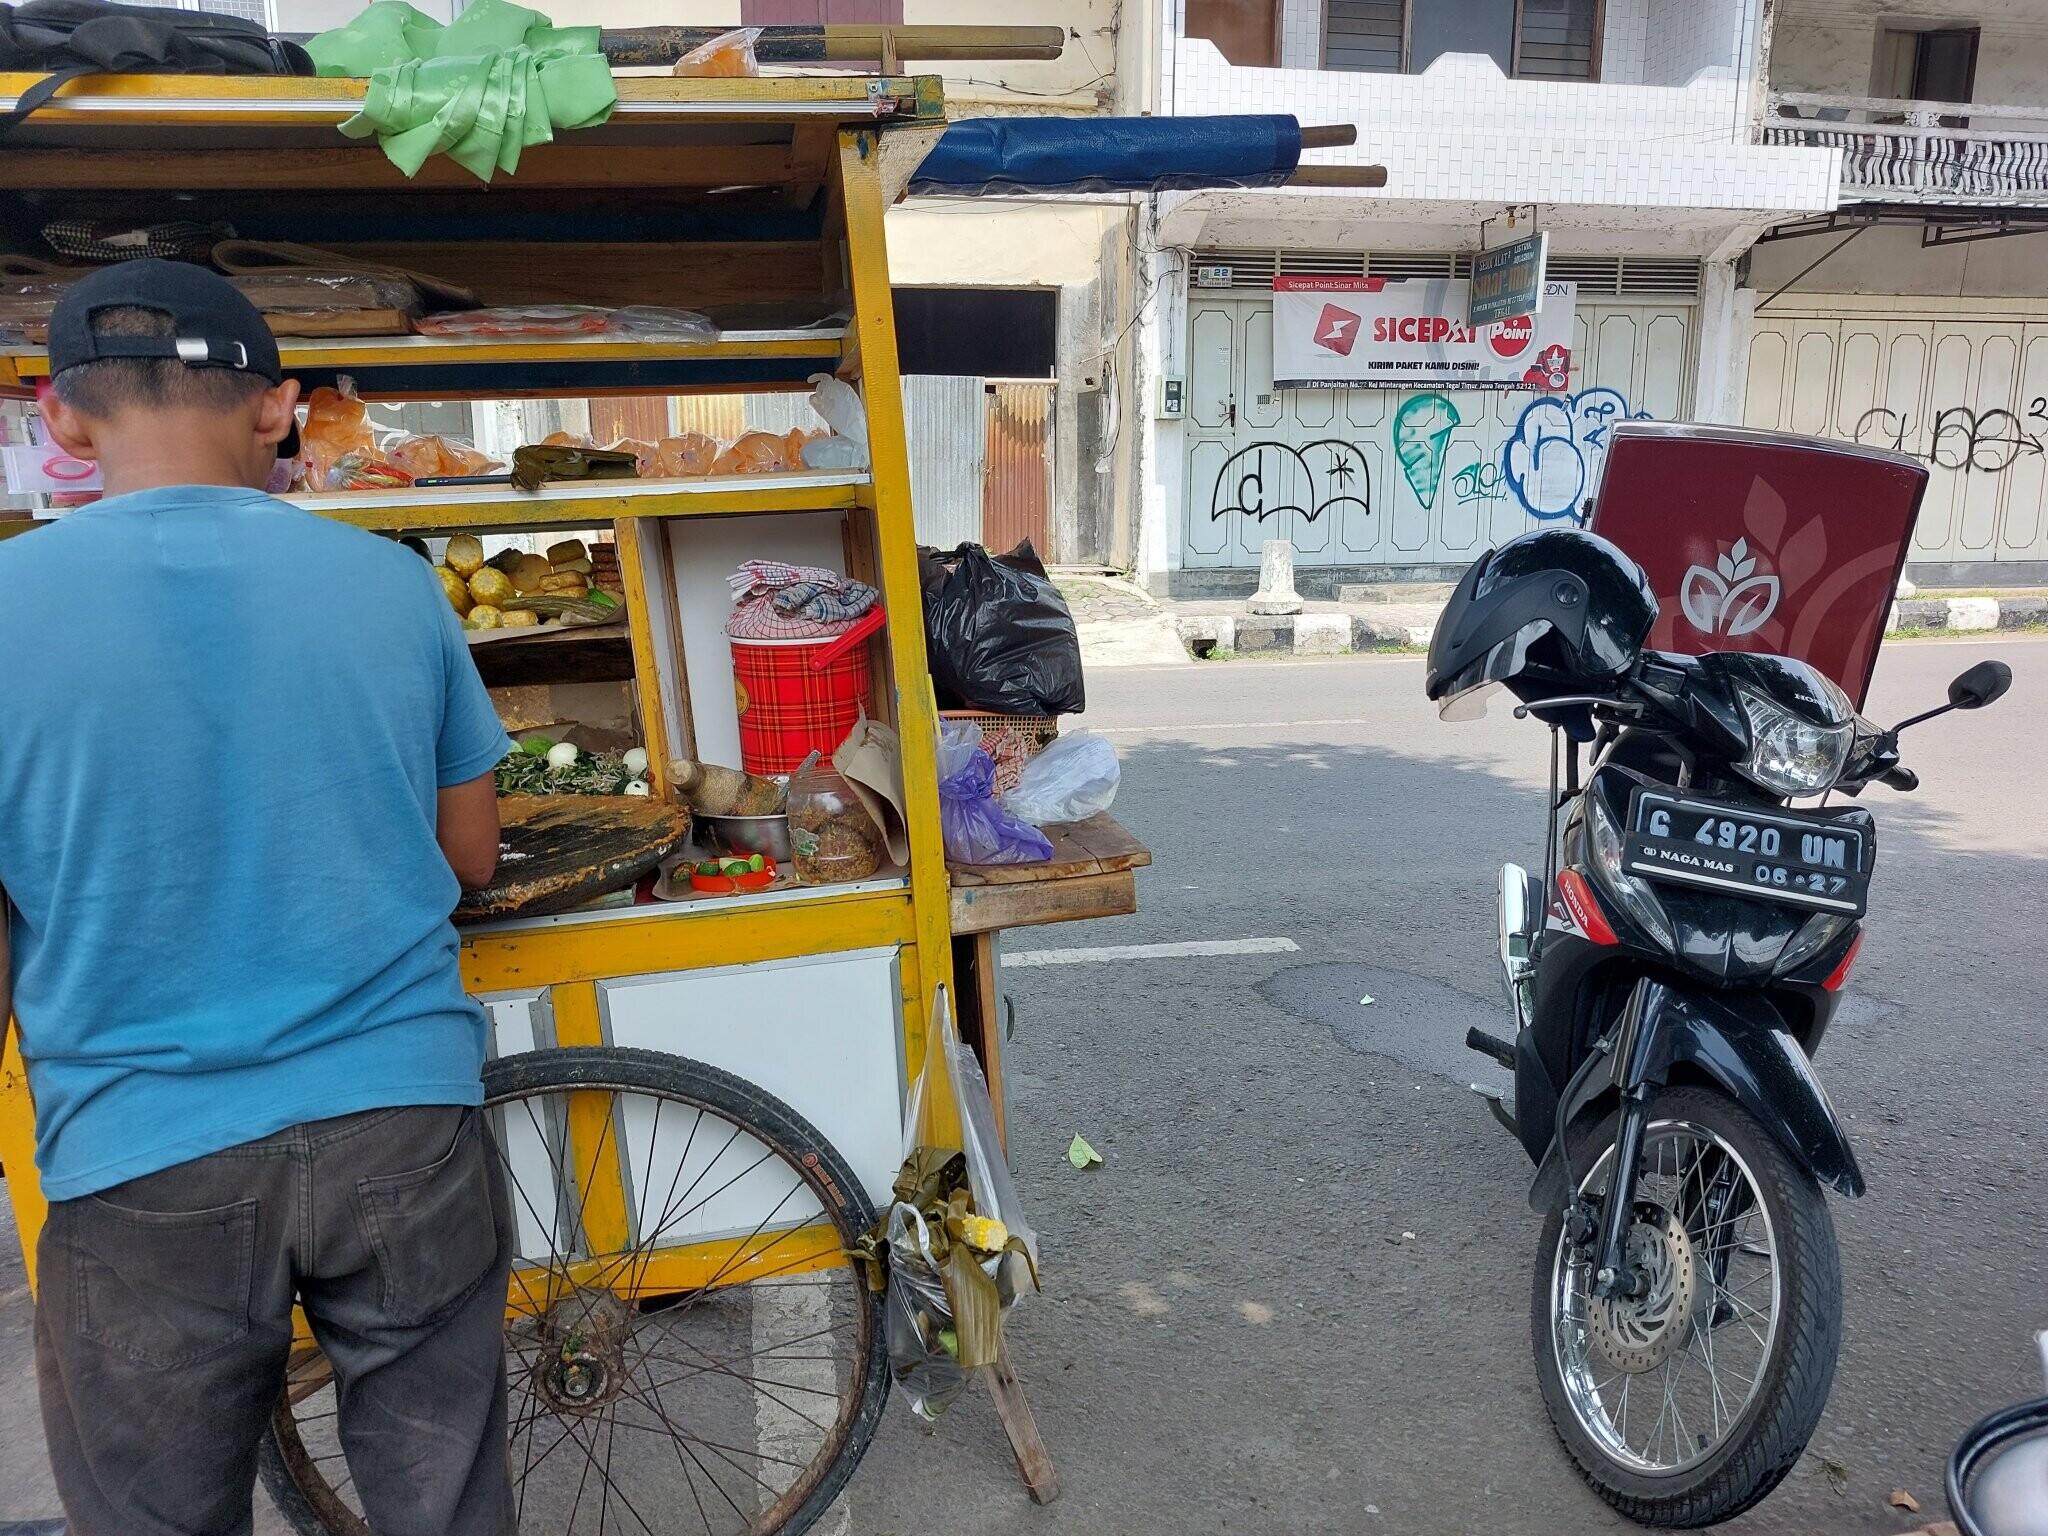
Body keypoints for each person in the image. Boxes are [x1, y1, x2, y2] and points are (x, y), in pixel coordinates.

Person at [0, 260, 517, 1535]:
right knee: (444, 1504)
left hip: (139, 1152)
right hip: (401, 1120)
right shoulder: (393, 584)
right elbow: (470, 859)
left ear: (58, 417)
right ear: (277, 407)